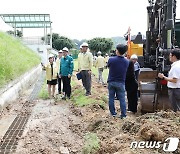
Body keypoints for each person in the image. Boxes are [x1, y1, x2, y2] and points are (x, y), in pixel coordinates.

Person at [107, 44, 129, 119]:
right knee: (122, 99)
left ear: (117, 51)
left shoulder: (111, 59)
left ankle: (113, 113)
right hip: (121, 82)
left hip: (111, 81)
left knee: (111, 98)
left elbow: (108, 66)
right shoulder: (127, 61)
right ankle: (123, 115)